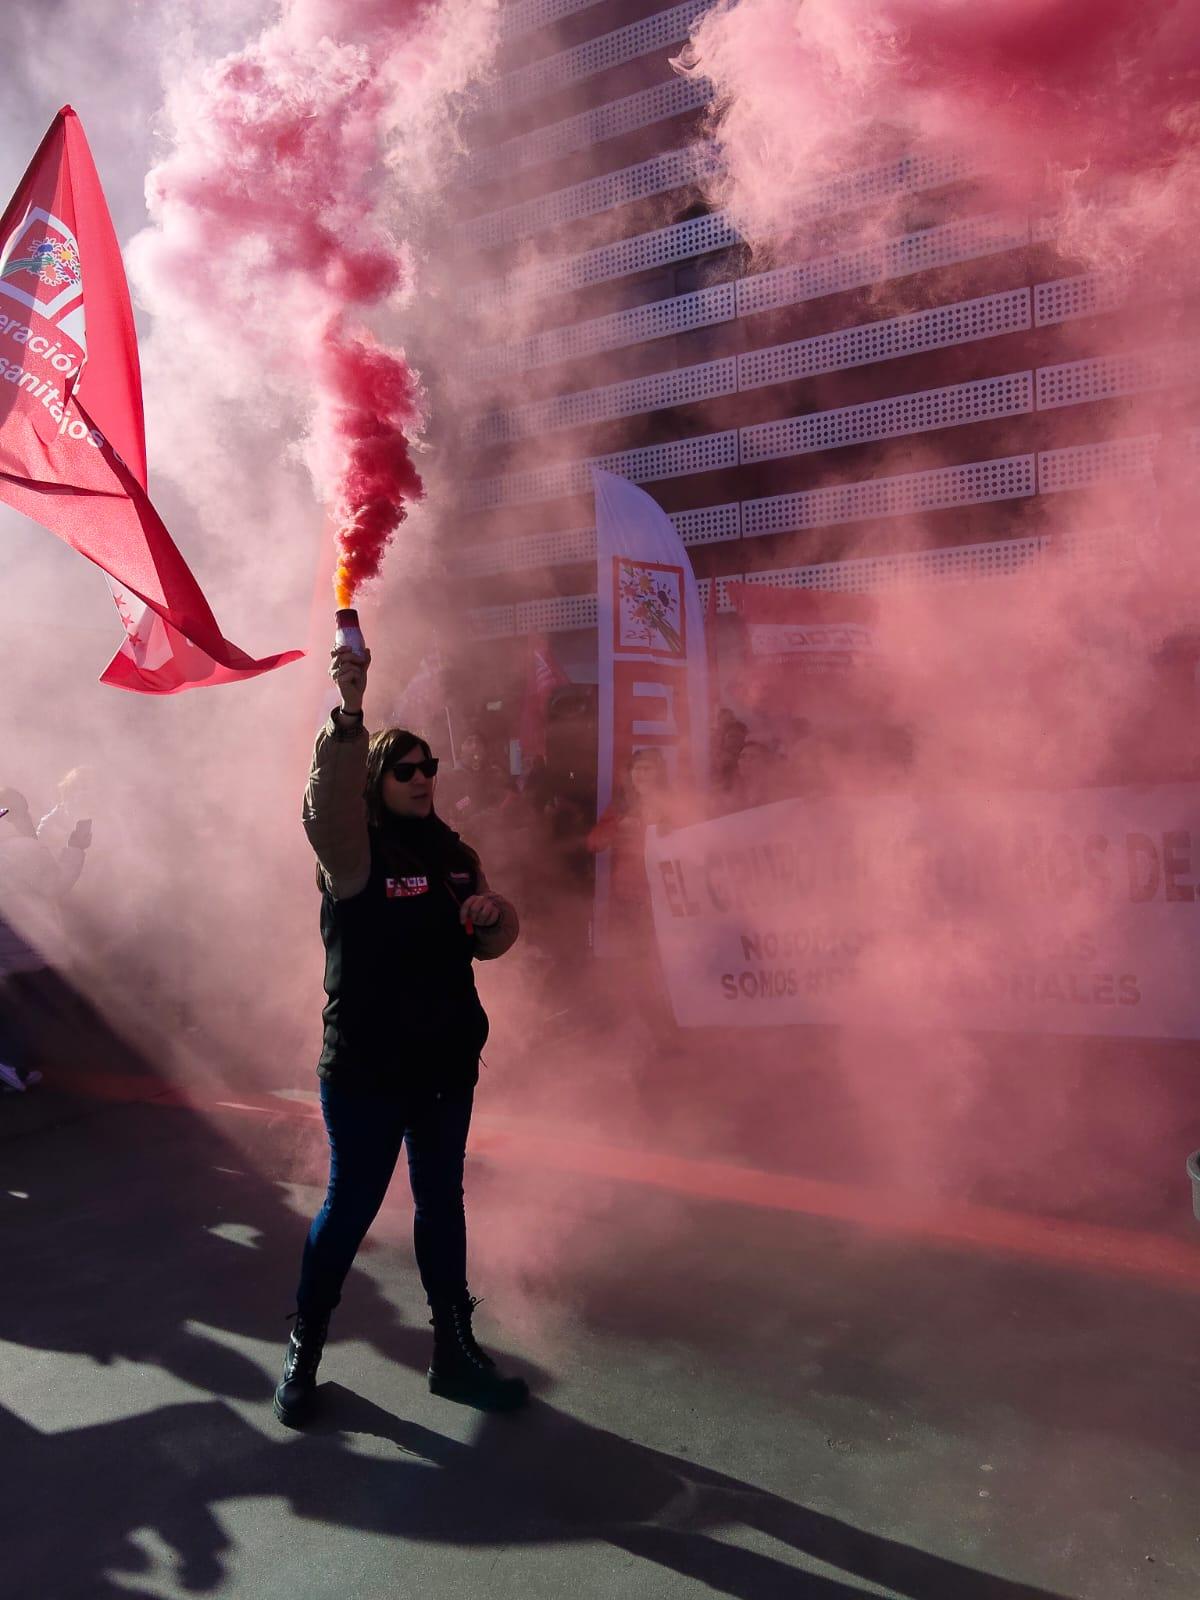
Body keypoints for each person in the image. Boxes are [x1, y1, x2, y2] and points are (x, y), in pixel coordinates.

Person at [274, 645, 528, 1428]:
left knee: (441, 1202)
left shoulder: (456, 855)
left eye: (431, 767)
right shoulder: (352, 857)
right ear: (378, 782)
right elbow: (324, 808)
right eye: (406, 769)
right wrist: (348, 715)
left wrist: (494, 919)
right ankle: (304, 1351)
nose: (423, 777)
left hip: (446, 1063)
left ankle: (454, 1349)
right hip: (365, 1068)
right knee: (350, 1206)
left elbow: (490, 940)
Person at [0, 790, 90, 1092]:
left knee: (15, 1009)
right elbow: (56, 885)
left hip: (7, 948)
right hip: (27, 946)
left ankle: (14, 1065)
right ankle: (11, 1065)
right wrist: (76, 848)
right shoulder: (24, 850)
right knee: (30, 1010)